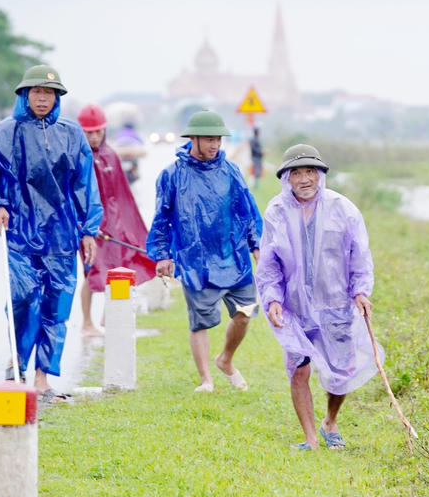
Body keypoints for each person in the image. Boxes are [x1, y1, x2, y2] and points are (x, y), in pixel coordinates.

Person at [0, 64, 103, 400]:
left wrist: (88, 230)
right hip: (19, 233)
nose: (42, 98)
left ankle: (42, 377)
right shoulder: (7, 132)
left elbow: (85, 186)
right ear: (25, 95)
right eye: (36, 91)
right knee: (23, 297)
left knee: (55, 306)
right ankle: (17, 358)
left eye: (49, 92)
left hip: (61, 236)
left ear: (58, 96)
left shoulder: (72, 134)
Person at [256, 144, 380, 450]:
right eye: (295, 172)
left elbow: (359, 256)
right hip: (294, 307)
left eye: (310, 171)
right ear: (286, 178)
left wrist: (361, 292)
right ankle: (310, 438)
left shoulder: (344, 209)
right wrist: (273, 299)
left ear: (320, 174)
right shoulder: (276, 211)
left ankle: (330, 421)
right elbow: (269, 262)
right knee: (299, 368)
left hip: (335, 303)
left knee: (341, 372)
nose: (304, 178)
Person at [147, 110, 262, 392]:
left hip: (233, 255)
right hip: (195, 258)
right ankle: (206, 380)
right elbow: (161, 217)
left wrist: (256, 245)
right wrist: (163, 254)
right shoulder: (172, 175)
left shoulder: (231, 171)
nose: (214, 146)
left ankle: (225, 359)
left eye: (218, 140)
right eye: (209, 140)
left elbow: (246, 210)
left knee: (245, 312)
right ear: (194, 139)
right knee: (200, 320)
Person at [76, 103, 157, 336]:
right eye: (88, 132)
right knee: (91, 272)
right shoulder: (77, 157)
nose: (94, 136)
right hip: (90, 228)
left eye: (97, 131)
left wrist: (125, 224)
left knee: (119, 267)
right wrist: (87, 226)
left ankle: (108, 318)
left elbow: (121, 194)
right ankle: (87, 322)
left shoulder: (110, 154)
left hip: (113, 225)